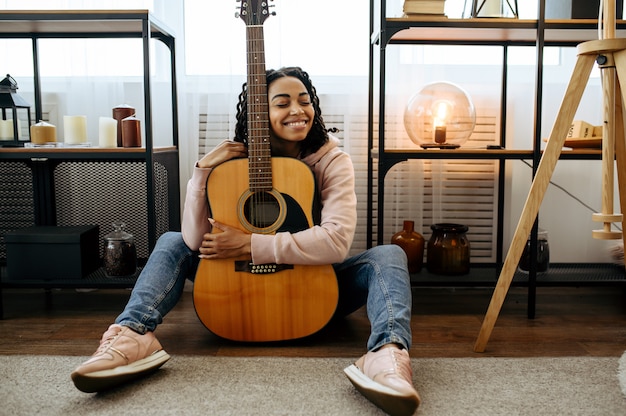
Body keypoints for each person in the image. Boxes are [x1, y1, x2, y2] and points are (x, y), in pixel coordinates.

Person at [71, 66, 420, 416]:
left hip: (317, 289)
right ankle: (131, 335)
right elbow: (194, 242)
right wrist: (201, 174)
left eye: (305, 101)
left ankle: (386, 354)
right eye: (282, 103)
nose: (298, 110)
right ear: (258, 113)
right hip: (233, 287)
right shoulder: (233, 166)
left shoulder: (332, 161)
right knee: (172, 240)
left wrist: (249, 244)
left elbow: (336, 242)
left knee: (389, 254)